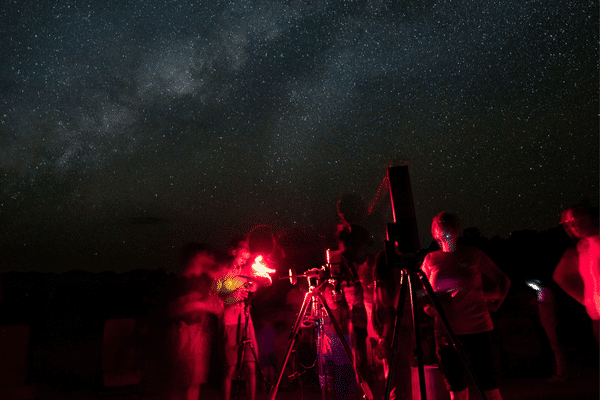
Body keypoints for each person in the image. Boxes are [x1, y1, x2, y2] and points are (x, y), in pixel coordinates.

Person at [421, 212, 510, 400]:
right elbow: (423, 294)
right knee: (456, 390)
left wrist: (497, 303)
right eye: (441, 225)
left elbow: (503, 280)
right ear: (435, 232)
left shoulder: (473, 254)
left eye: (449, 226)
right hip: (445, 333)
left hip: (478, 331)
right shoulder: (430, 260)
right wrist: (429, 309)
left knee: (489, 388)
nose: (446, 230)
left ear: (457, 230)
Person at [317, 224, 372, 400]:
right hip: (340, 327)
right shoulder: (336, 265)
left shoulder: (356, 265)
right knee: (344, 368)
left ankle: (357, 393)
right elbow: (330, 296)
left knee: (357, 365)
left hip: (355, 322)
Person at [215, 237, 273, 400]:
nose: (247, 253)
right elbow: (214, 301)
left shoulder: (248, 272)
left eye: (249, 249)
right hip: (229, 323)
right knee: (229, 369)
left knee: (250, 367)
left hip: (247, 322)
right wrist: (232, 297)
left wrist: (257, 287)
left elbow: (261, 284)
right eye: (244, 248)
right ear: (233, 251)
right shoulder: (223, 272)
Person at [165, 243, 225, 400]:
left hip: (198, 334)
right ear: (196, 256)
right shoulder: (184, 281)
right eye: (206, 253)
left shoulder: (203, 280)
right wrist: (204, 305)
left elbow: (224, 279)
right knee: (181, 382)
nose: (210, 256)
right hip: (185, 335)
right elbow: (175, 309)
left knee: (194, 382)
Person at [553, 202, 600, 343]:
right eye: (566, 225)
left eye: (575, 221)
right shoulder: (580, 248)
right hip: (596, 316)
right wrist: (586, 300)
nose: (571, 227)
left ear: (591, 218)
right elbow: (559, 276)